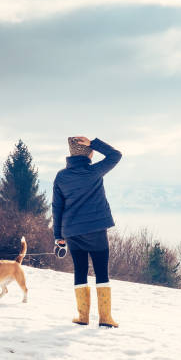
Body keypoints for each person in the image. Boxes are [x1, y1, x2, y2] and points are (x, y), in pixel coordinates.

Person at [52, 136, 122, 327]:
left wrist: (58, 236)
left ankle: (83, 317)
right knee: (101, 272)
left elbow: (57, 207)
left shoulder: (61, 176)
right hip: (96, 231)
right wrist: (93, 142)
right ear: (88, 153)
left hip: (71, 232)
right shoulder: (94, 171)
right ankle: (105, 318)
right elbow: (116, 155)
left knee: (80, 271)